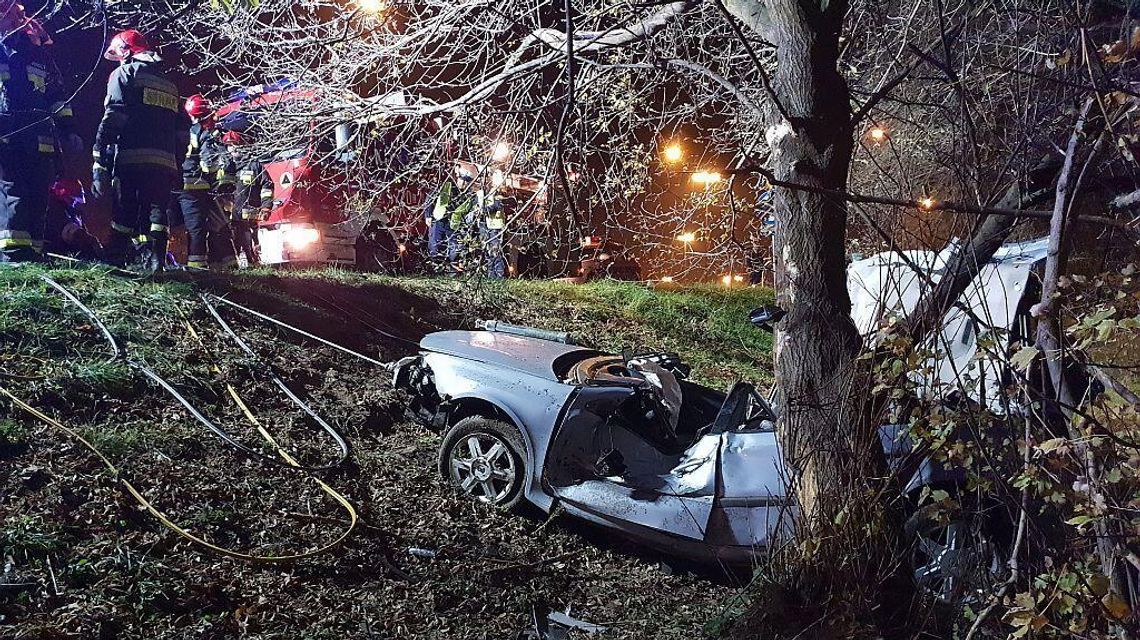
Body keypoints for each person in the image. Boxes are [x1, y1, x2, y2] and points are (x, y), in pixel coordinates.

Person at [92, 29, 182, 271]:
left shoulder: (123, 73)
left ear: (125, 51)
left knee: (125, 210)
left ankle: (115, 260)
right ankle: (156, 265)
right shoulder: (168, 83)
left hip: (133, 157)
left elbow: (114, 117)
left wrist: (99, 155)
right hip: (165, 161)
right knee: (157, 213)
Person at [0, 3, 73, 263]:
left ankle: (33, 251)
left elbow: (57, 95)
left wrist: (67, 129)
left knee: (39, 192)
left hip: (39, 137)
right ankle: (13, 253)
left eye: (13, 16)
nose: (12, 21)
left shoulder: (38, 55)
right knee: (14, 191)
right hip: (5, 135)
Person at [175, 94, 236, 269]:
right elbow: (210, 164)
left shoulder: (182, 131)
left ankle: (217, 265)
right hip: (200, 188)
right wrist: (222, 183)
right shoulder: (205, 133)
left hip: (183, 187)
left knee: (201, 229)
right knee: (202, 230)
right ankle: (200, 269)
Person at [222, 129, 265, 266]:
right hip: (232, 216)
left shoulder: (254, 166)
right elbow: (223, 190)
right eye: (228, 145)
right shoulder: (226, 168)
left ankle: (253, 260)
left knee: (249, 237)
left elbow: (267, 186)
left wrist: (266, 206)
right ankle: (240, 264)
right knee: (234, 239)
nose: (231, 149)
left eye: (234, 144)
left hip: (250, 216)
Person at [423, 165, 474, 272]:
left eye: (466, 181)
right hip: (439, 220)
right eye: (462, 180)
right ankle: (435, 271)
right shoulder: (446, 186)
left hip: (453, 225)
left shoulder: (468, 196)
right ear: (458, 178)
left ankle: (451, 273)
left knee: (454, 250)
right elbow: (430, 198)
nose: (464, 183)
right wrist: (428, 215)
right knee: (435, 246)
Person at [478, 186, 507, 278]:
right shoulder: (481, 193)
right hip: (485, 225)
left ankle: (499, 276)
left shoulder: (497, 193)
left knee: (495, 252)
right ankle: (491, 276)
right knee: (487, 251)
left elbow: (497, 205)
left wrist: (484, 210)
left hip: (496, 226)